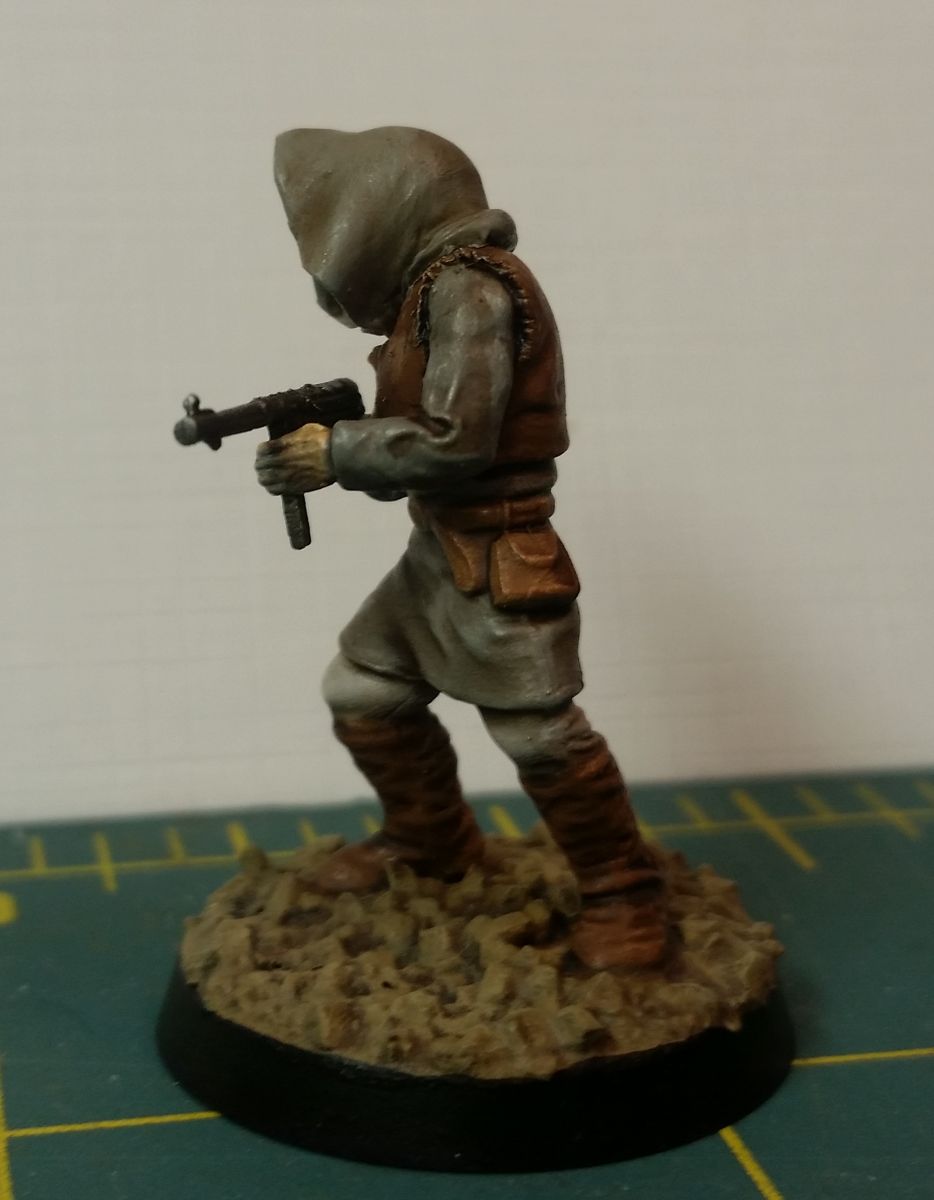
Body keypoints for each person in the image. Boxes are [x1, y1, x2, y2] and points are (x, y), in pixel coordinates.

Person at [255, 127, 668, 968]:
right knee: (362, 691)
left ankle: (623, 893)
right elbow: (417, 457)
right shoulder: (431, 293)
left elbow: (458, 441)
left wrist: (335, 453)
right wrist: (328, 453)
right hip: (439, 551)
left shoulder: (468, 290)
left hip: (500, 552)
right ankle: (430, 839)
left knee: (539, 735)